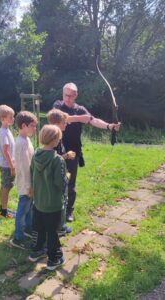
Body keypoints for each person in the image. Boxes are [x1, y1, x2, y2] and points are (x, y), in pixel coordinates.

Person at [53, 82, 121, 222]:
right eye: (66, 95)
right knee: (55, 181)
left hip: (73, 151)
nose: (68, 98)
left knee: (70, 183)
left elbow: (93, 120)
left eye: (71, 96)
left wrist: (109, 126)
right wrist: (80, 118)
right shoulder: (58, 105)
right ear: (62, 94)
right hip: (56, 150)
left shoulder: (80, 109)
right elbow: (59, 118)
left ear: (76, 95)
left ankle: (68, 211)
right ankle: (54, 209)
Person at [28, 125, 68, 270]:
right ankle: (54, 259)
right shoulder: (57, 160)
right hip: (53, 204)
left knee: (38, 228)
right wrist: (66, 179)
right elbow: (60, 182)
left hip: (38, 201)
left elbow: (31, 175)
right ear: (55, 140)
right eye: (58, 138)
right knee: (52, 231)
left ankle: (36, 251)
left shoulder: (35, 155)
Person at [10, 111, 38, 249]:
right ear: (23, 125)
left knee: (29, 208)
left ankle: (28, 229)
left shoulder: (26, 139)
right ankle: (17, 238)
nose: (35, 128)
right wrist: (29, 186)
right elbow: (23, 168)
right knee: (22, 210)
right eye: (33, 125)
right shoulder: (20, 143)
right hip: (25, 184)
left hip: (30, 182)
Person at [47, 109, 77, 236]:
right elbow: (52, 159)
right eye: (64, 122)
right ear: (57, 123)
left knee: (62, 200)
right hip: (56, 177)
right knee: (59, 201)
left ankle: (60, 225)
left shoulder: (57, 137)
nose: (66, 124)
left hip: (59, 173)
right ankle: (58, 228)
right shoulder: (53, 139)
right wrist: (66, 156)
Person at [0, 105, 15, 218]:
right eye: (11, 117)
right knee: (6, 187)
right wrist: (12, 167)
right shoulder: (3, 133)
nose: (13, 119)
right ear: (3, 118)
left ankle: (3, 208)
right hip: (7, 165)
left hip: (7, 165)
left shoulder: (6, 130)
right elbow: (6, 151)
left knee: (4, 186)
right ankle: (4, 212)